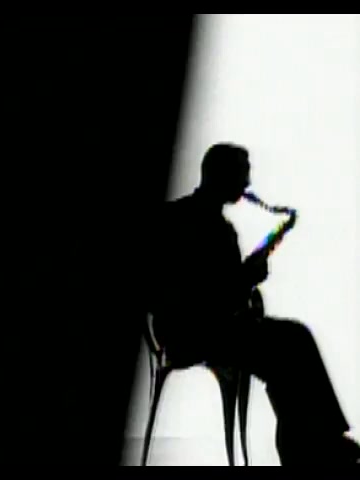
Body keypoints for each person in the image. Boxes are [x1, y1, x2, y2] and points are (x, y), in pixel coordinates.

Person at [147, 143, 359, 465]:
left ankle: (311, 443)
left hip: (203, 329)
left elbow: (221, 295)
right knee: (292, 342)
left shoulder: (197, 221)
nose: (247, 184)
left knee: (291, 343)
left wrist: (243, 280)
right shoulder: (191, 223)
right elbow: (200, 296)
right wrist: (246, 278)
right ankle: (312, 444)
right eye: (242, 175)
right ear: (221, 175)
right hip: (194, 333)